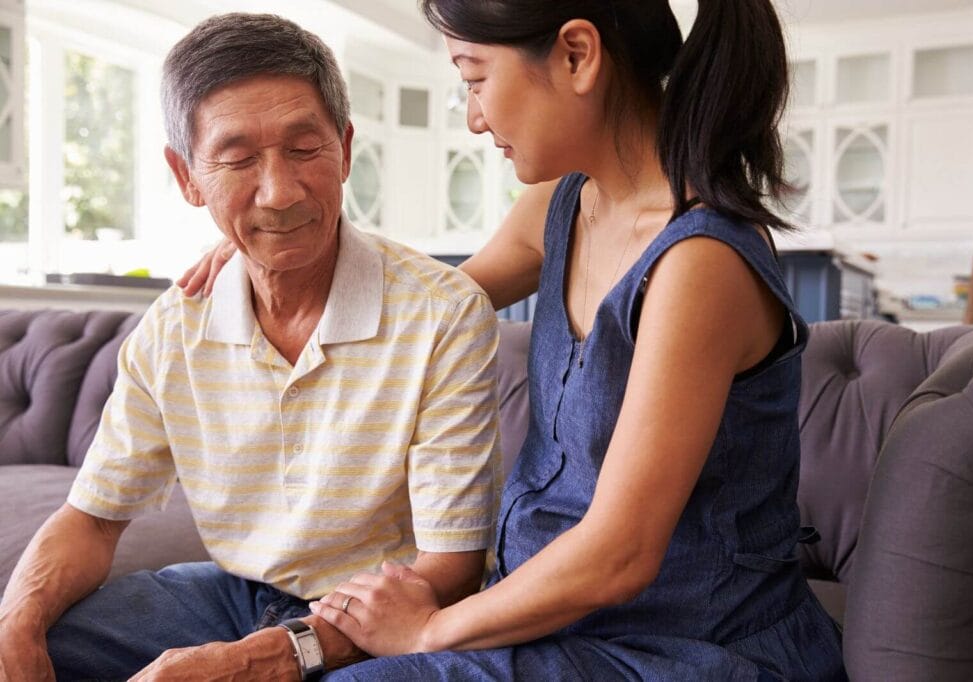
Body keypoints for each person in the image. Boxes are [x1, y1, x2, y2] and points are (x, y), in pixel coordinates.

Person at [181, 1, 848, 679]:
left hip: (681, 649)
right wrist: (271, 250)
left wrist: (430, 628)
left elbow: (621, 553)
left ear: (576, 56)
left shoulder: (700, 263)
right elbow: (415, 311)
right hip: (548, 621)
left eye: (474, 79)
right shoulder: (563, 204)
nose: (474, 116)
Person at [0, 12, 502, 681]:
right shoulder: (173, 329)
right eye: (237, 159)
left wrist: (271, 657)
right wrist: (18, 626)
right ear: (186, 176)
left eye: (304, 149)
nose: (280, 192)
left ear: (346, 149)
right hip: (228, 593)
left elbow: (451, 567)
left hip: (382, 618)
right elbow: (92, 519)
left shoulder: (442, 314)